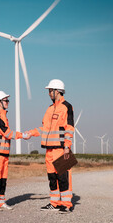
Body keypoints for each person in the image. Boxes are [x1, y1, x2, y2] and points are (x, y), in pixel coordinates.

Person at [24, 79, 74, 212]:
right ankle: (55, 203)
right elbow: (44, 128)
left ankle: (66, 205)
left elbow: (69, 128)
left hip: (61, 148)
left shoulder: (67, 107)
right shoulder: (49, 109)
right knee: (52, 178)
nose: (49, 93)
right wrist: (31, 133)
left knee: (63, 177)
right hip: (49, 149)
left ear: (57, 91)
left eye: (50, 91)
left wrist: (67, 147)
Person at [0, 91, 24, 211]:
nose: (8, 102)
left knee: (3, 179)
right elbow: (7, 133)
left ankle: (1, 201)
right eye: (6, 100)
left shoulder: (3, 115)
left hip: (4, 153)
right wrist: (22, 135)